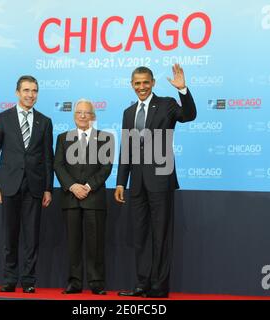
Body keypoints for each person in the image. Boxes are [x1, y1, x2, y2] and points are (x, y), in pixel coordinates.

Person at [115, 64, 197, 298]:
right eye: (137, 83)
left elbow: (189, 115)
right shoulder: (128, 113)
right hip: (137, 183)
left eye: (145, 82)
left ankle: (159, 287)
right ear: (132, 85)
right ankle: (142, 284)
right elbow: (127, 148)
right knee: (140, 235)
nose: (141, 87)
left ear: (153, 83)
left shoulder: (168, 104)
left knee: (161, 235)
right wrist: (121, 181)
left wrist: (183, 90)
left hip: (161, 179)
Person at [0, 75, 54, 293]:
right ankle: (9, 279)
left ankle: (29, 281)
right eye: (26, 90)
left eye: (34, 91)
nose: (30, 95)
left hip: (35, 187)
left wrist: (48, 188)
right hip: (9, 186)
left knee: (32, 237)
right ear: (17, 92)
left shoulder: (45, 121)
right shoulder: (3, 118)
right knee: (10, 235)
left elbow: (48, 158)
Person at [54, 99, 114, 295]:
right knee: (73, 244)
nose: (82, 115)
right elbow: (58, 165)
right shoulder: (63, 138)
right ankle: (74, 282)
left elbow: (106, 168)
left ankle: (96, 282)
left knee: (95, 244)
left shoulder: (105, 138)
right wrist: (72, 186)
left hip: (94, 199)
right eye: (78, 112)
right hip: (71, 199)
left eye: (86, 113)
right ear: (74, 116)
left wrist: (87, 186)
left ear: (93, 116)